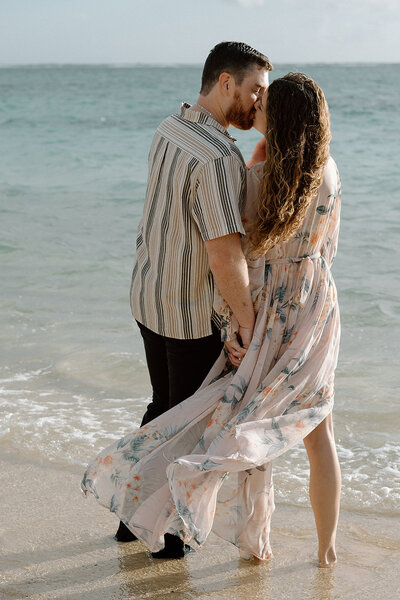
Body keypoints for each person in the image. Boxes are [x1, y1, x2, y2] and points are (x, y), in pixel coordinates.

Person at [82, 73, 341, 567]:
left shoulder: (255, 173)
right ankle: (326, 549)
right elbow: (328, 249)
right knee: (317, 431)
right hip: (317, 307)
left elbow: (236, 256)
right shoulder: (327, 171)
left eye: (264, 100)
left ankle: (226, 530)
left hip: (270, 311)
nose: (255, 103)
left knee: (234, 420)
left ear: (280, 118)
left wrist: (236, 322)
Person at [115, 42, 271, 555]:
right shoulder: (219, 156)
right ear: (225, 82)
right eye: (254, 90)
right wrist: (246, 323)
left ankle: (127, 517)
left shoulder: (169, 127)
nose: (257, 102)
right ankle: (168, 543)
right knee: (188, 431)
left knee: (163, 409)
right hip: (187, 319)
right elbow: (225, 255)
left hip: (149, 297)